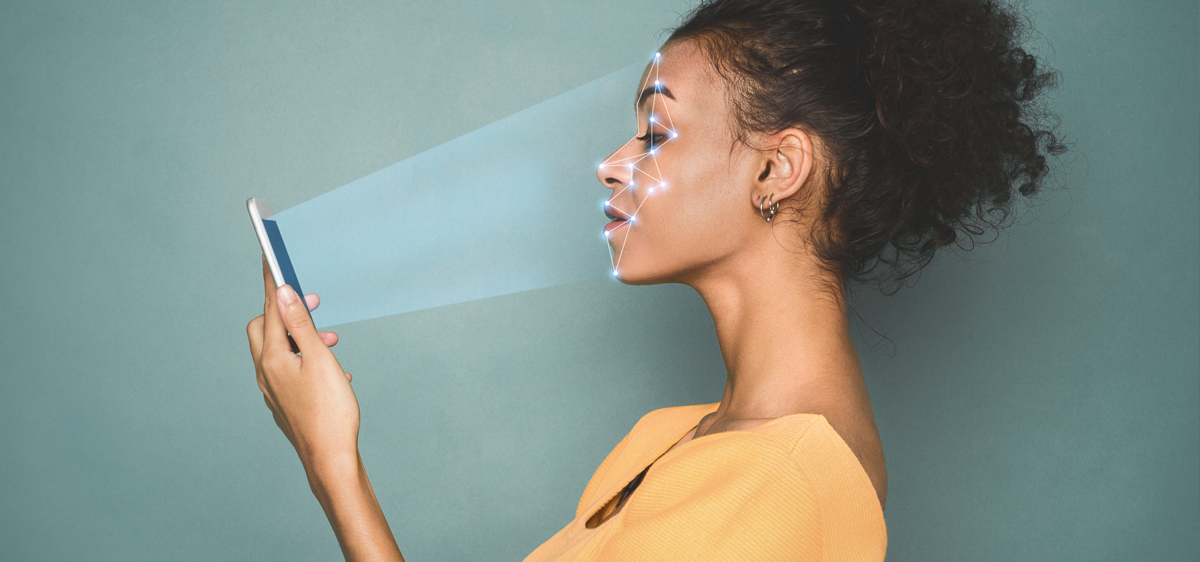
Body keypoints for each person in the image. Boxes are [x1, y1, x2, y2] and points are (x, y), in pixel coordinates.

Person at [246, 0, 1063, 559]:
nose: (611, 164)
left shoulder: (771, 487)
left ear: (777, 169)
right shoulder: (681, 439)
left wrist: (332, 463)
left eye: (656, 132)